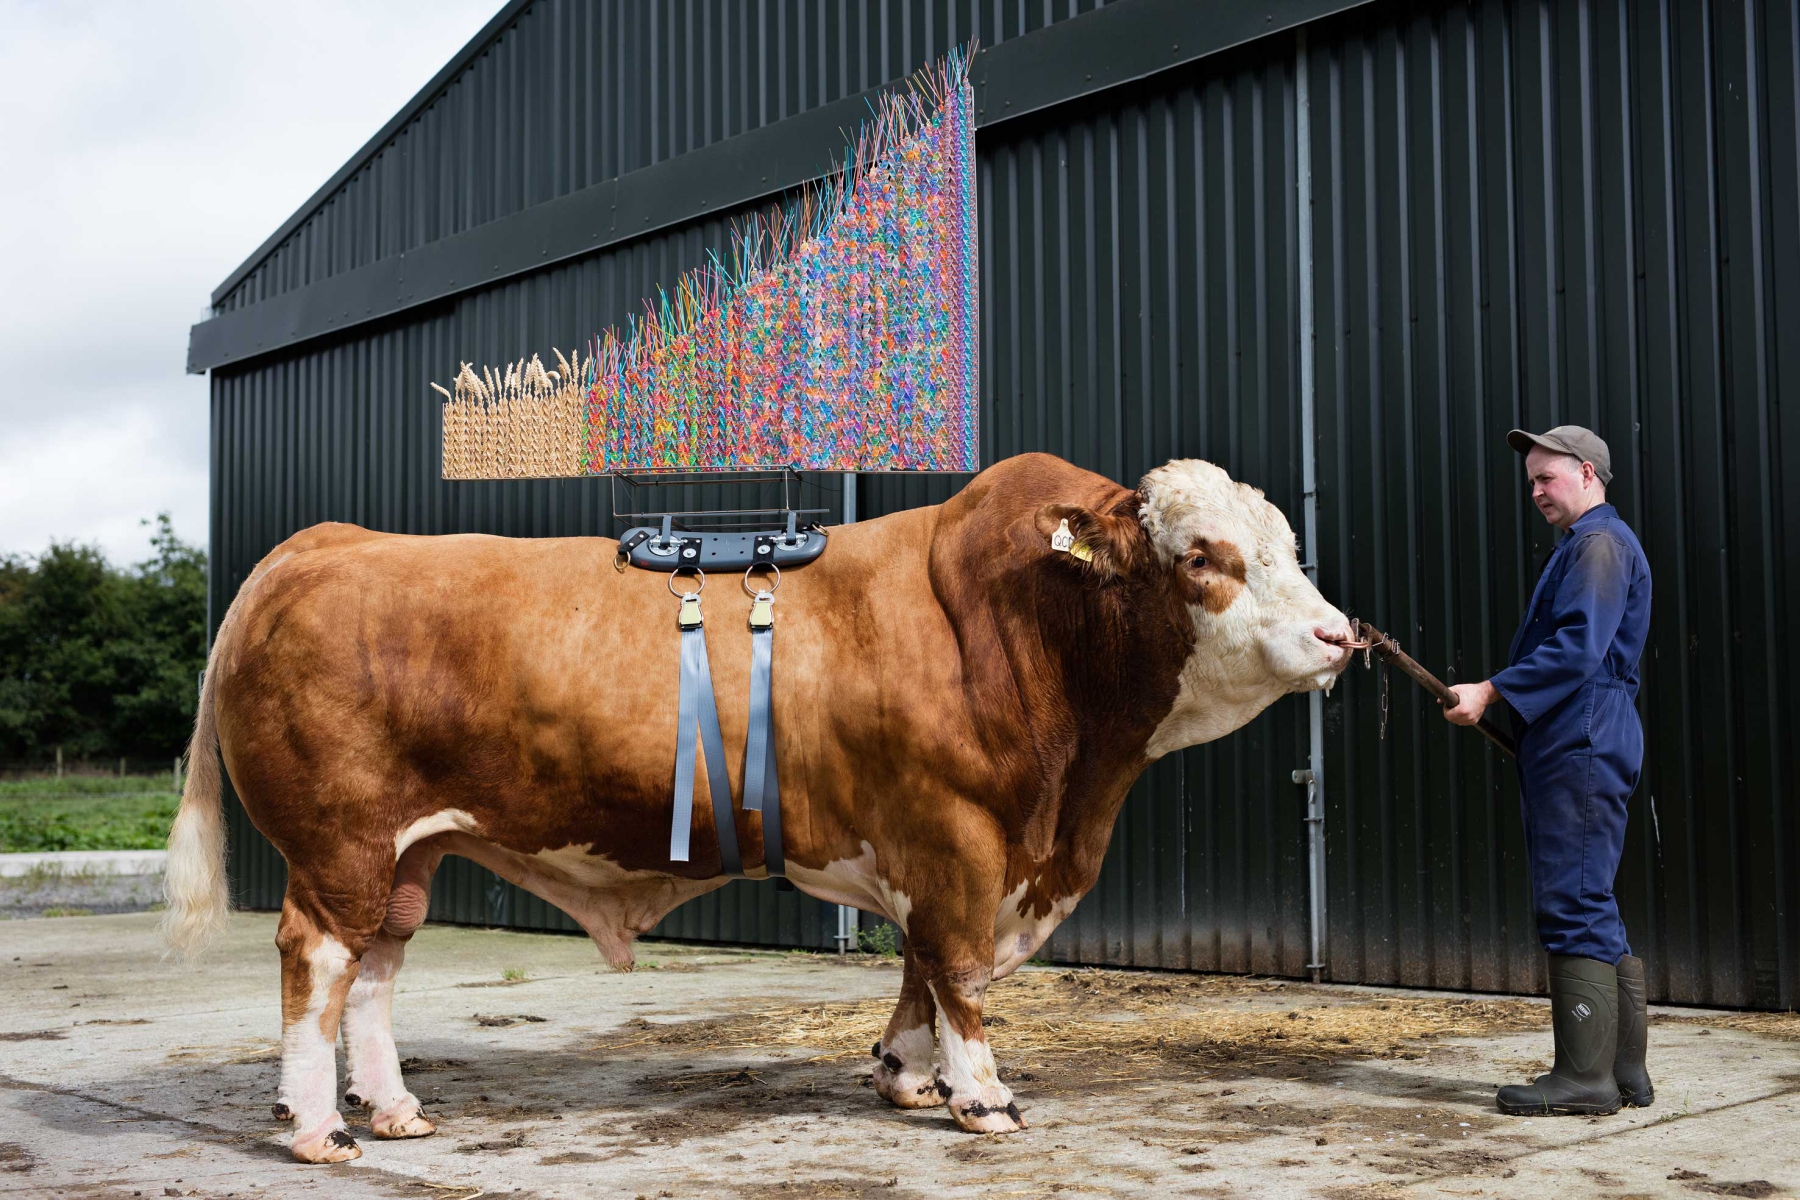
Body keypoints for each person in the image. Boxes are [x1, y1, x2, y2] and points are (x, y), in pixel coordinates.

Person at [1442, 426, 1653, 1116]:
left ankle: (1583, 1080)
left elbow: (1576, 649)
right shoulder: (1589, 545)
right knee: (1593, 895)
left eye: (1546, 478)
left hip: (1583, 731)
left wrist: (1489, 691)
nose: (1534, 492)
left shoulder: (1597, 546)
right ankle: (1624, 1072)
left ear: (1587, 474)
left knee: (1572, 898)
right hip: (1582, 731)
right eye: (1530, 480)